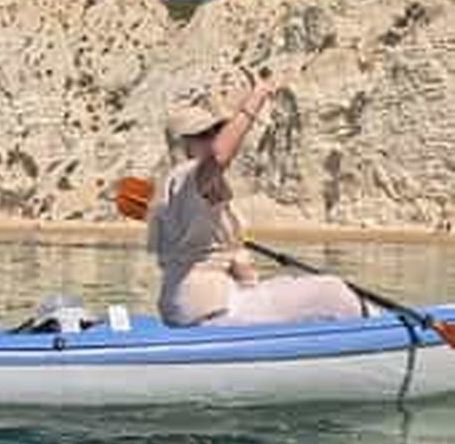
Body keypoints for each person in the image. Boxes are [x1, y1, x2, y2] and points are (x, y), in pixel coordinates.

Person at [147, 79, 364, 327]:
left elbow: (207, 254)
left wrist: (242, 271)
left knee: (285, 283)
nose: (214, 137)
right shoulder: (185, 176)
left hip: (192, 304)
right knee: (333, 291)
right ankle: (377, 332)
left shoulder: (176, 189)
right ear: (183, 144)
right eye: (203, 135)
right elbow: (219, 156)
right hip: (208, 308)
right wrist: (255, 101)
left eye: (216, 131)